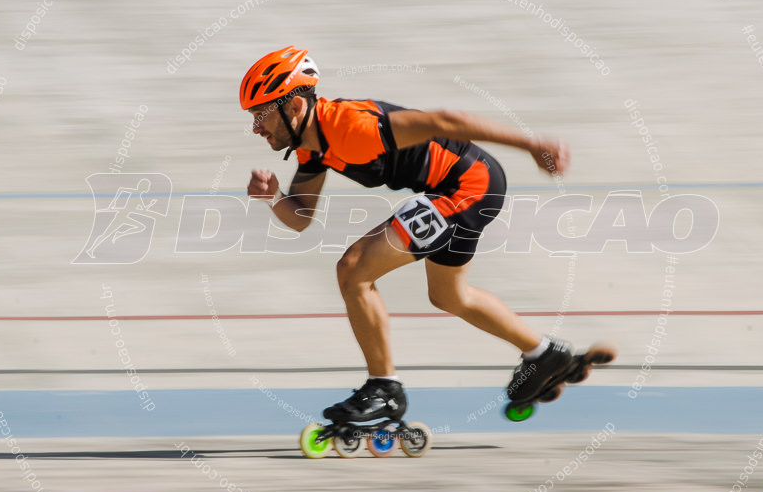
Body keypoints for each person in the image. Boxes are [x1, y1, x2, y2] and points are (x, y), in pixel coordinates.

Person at [241, 46, 598, 424]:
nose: (256, 127)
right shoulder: (311, 148)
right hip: (460, 187)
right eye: (252, 116)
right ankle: (543, 354)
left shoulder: (352, 127)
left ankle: (385, 389)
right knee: (448, 295)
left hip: (466, 185)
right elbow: (301, 218)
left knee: (354, 269)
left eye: (261, 114)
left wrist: (531, 144)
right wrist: (272, 198)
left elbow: (446, 120)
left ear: (294, 106)